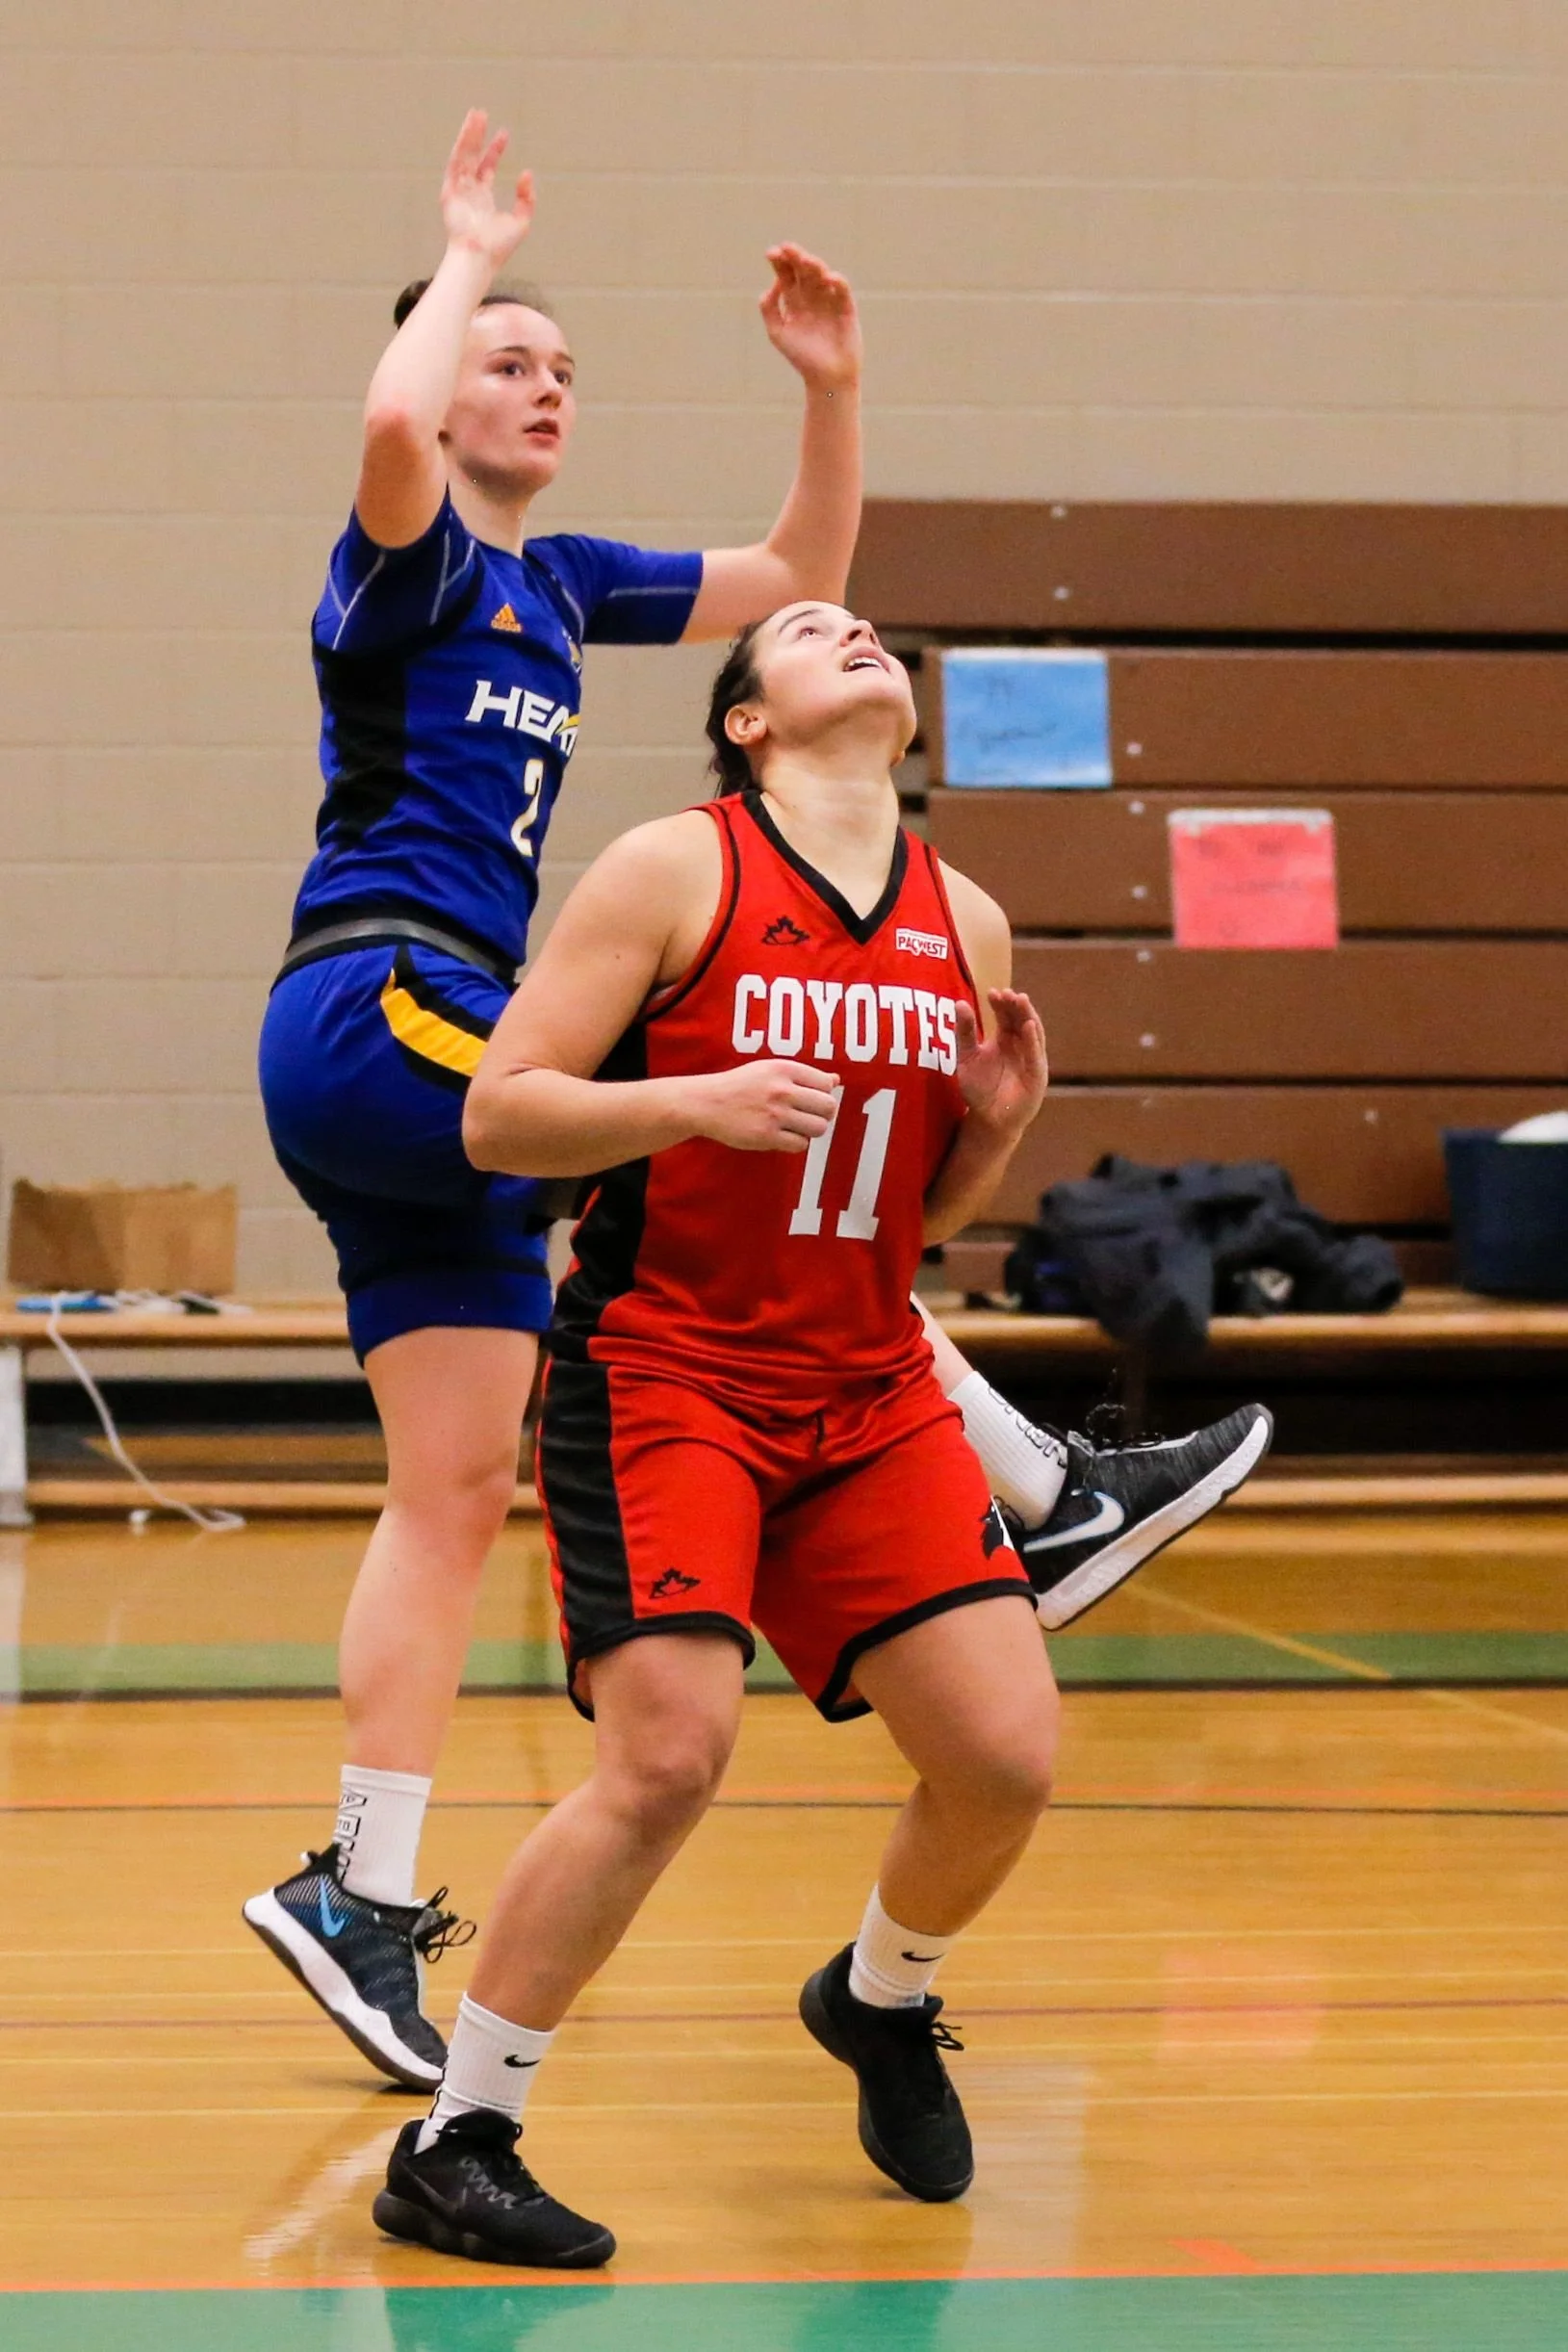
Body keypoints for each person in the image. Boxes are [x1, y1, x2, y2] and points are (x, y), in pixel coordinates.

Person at [245, 113, 1271, 2097]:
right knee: (730, 1078)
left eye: (563, 366)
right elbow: (386, 427)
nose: (544, 384)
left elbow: (800, 566)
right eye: (508, 362)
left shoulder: (559, 591)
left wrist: (836, 388)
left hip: (409, 1044)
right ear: (441, 387)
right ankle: (1046, 1497)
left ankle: (358, 1884)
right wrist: (460, 259)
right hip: (388, 1007)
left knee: (455, 1486)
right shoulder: (410, 562)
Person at [369, 601, 1180, 2266]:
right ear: (748, 720)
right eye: (813, 631)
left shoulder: (969, 918)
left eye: (873, 629)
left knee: (1005, 1755)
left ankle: (879, 1999)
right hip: (666, 1369)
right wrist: (692, 1101)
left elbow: (916, 1218)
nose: (859, 634)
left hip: (866, 1384)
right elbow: (498, 1109)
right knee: (667, 1754)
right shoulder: (675, 870)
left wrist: (1000, 1135)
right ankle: (460, 2133)